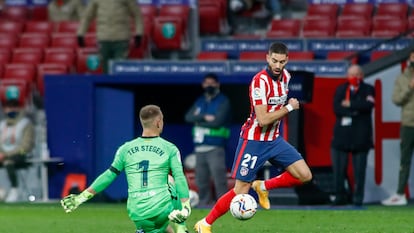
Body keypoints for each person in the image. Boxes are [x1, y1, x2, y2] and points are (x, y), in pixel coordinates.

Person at [194, 42, 312, 233]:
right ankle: (205, 223)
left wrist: (284, 108)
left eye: (282, 62)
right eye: (274, 60)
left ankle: (263, 185)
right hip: (254, 141)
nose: (278, 65)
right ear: (267, 58)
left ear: (287, 61)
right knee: (241, 189)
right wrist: (290, 107)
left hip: (274, 140)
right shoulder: (259, 82)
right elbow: (263, 119)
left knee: (305, 175)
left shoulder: (287, 77)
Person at [61, 105, 191, 233]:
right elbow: (179, 177)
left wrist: (81, 197)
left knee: (162, 228)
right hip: (162, 210)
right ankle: (181, 227)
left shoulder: (125, 149)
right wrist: (185, 206)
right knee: (170, 179)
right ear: (158, 122)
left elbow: (108, 176)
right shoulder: (170, 148)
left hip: (137, 212)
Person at [330, 64, 375, 207]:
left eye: (357, 74)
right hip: (341, 137)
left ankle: (358, 198)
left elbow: (367, 105)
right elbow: (336, 107)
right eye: (351, 75)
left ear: (362, 75)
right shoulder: (341, 89)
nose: (354, 78)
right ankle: (339, 197)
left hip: (361, 137)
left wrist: (349, 104)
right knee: (338, 170)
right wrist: (355, 111)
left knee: (359, 171)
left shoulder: (368, 89)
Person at [184, 73, 232, 206]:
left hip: (215, 147)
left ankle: (223, 205)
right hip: (200, 148)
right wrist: (205, 117)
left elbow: (217, 122)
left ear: (217, 84)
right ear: (203, 85)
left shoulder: (223, 101)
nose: (209, 85)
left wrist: (198, 119)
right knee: (201, 180)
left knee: (219, 179)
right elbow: (188, 117)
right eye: (207, 83)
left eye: (212, 83)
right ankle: (204, 205)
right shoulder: (200, 101)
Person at [381, 50, 414, 206]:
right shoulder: (402, 78)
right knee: (405, 160)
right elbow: (396, 99)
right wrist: (409, 87)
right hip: (408, 123)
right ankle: (400, 194)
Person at [76, 0, 143, 74]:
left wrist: (139, 34)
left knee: (119, 70)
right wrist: (80, 34)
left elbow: (137, 15)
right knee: (106, 70)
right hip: (104, 39)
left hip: (121, 39)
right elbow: (87, 17)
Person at [0, 85, 35, 203]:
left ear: (19, 108)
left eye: (14, 107)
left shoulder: (25, 124)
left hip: (21, 154)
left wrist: (6, 155)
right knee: (5, 160)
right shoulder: (2, 125)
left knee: (9, 162)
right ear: (5, 109)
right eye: (9, 107)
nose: (11, 110)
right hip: (2, 155)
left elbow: (26, 146)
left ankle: (15, 190)